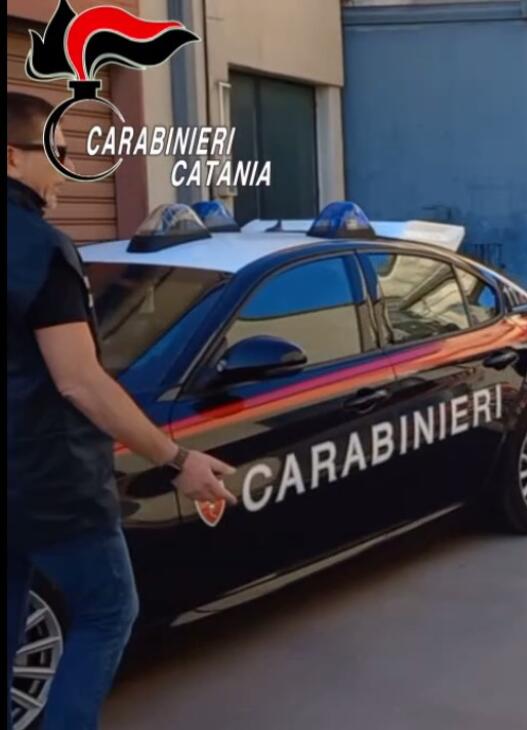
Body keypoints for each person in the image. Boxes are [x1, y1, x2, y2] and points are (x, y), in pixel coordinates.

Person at [6, 92, 237, 730]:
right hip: (49, 482)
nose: (62, 168)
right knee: (108, 611)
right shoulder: (38, 248)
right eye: (50, 153)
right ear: (11, 159)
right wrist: (177, 458)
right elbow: (80, 381)